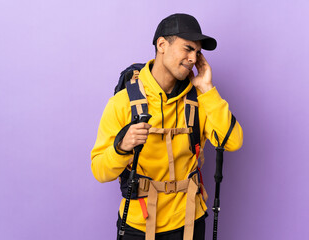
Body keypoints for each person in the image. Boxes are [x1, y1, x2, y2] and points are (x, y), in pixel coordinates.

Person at [91, 13, 243, 240]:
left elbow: (232, 142)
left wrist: (208, 89)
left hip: (190, 221)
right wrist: (122, 147)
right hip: (137, 225)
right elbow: (100, 171)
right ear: (162, 44)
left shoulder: (201, 100)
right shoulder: (122, 103)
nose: (193, 58)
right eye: (187, 48)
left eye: (198, 52)